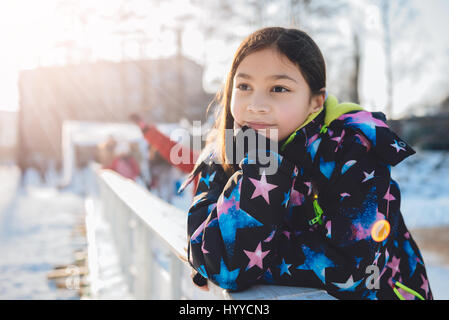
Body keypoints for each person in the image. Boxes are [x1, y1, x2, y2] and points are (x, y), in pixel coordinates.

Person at [178, 27, 433, 300]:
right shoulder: (224, 152)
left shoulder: (354, 150)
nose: (256, 105)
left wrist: (225, 255)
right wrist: (261, 169)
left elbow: (353, 269)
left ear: (315, 102)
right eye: (244, 86)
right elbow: (222, 261)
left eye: (279, 88)